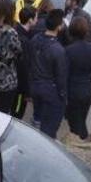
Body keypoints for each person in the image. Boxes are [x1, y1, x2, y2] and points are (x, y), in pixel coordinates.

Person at [27, 9, 69, 138]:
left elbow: (29, 61)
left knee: (37, 119)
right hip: (50, 90)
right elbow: (61, 75)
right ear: (59, 27)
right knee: (49, 129)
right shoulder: (58, 50)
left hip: (35, 87)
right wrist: (63, 95)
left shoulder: (35, 40)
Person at [63, 15, 91, 139]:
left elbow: (63, 72)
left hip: (73, 91)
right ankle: (82, 138)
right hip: (88, 89)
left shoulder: (68, 51)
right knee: (81, 120)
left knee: (75, 124)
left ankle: (80, 142)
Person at [13, 6, 39, 119]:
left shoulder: (17, 32)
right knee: (17, 113)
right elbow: (24, 67)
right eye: (36, 17)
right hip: (19, 88)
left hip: (14, 83)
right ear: (30, 20)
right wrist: (27, 91)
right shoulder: (24, 41)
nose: (37, 20)